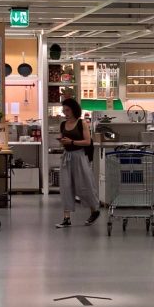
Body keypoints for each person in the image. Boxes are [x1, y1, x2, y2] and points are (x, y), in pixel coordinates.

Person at [56, 97, 100, 228]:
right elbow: (63, 139)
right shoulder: (63, 124)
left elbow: (87, 142)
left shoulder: (82, 123)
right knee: (66, 186)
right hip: (67, 157)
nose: (65, 113)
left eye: (67, 110)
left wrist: (72, 142)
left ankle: (94, 210)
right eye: (64, 110)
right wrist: (62, 142)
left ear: (74, 110)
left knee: (84, 185)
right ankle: (66, 218)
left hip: (79, 156)